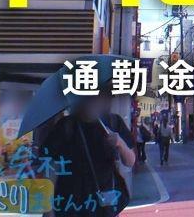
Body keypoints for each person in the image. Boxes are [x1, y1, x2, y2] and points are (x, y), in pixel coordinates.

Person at [41, 89, 136, 217]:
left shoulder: (113, 122)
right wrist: (48, 210)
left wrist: (120, 143)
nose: (94, 102)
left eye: (98, 97)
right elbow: (50, 171)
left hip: (105, 204)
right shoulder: (66, 126)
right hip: (71, 205)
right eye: (89, 97)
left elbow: (130, 161)